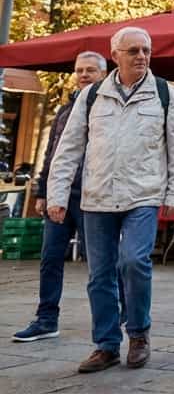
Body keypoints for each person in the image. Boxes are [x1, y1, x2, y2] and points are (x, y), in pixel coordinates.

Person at [46, 27, 174, 374]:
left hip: (143, 193)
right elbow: (68, 148)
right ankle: (106, 345)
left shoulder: (164, 93)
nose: (141, 56)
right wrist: (57, 194)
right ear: (116, 55)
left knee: (134, 261)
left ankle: (138, 334)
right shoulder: (92, 95)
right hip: (97, 196)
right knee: (100, 275)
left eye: (146, 50)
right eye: (133, 51)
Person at [12, 52, 107, 343]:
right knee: (50, 258)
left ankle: (116, 316)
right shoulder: (65, 111)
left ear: (104, 74)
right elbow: (53, 154)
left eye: (91, 70)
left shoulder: (109, 109)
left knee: (101, 264)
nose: (84, 74)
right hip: (61, 197)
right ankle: (46, 319)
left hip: (94, 197)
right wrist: (43, 191)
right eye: (79, 70)